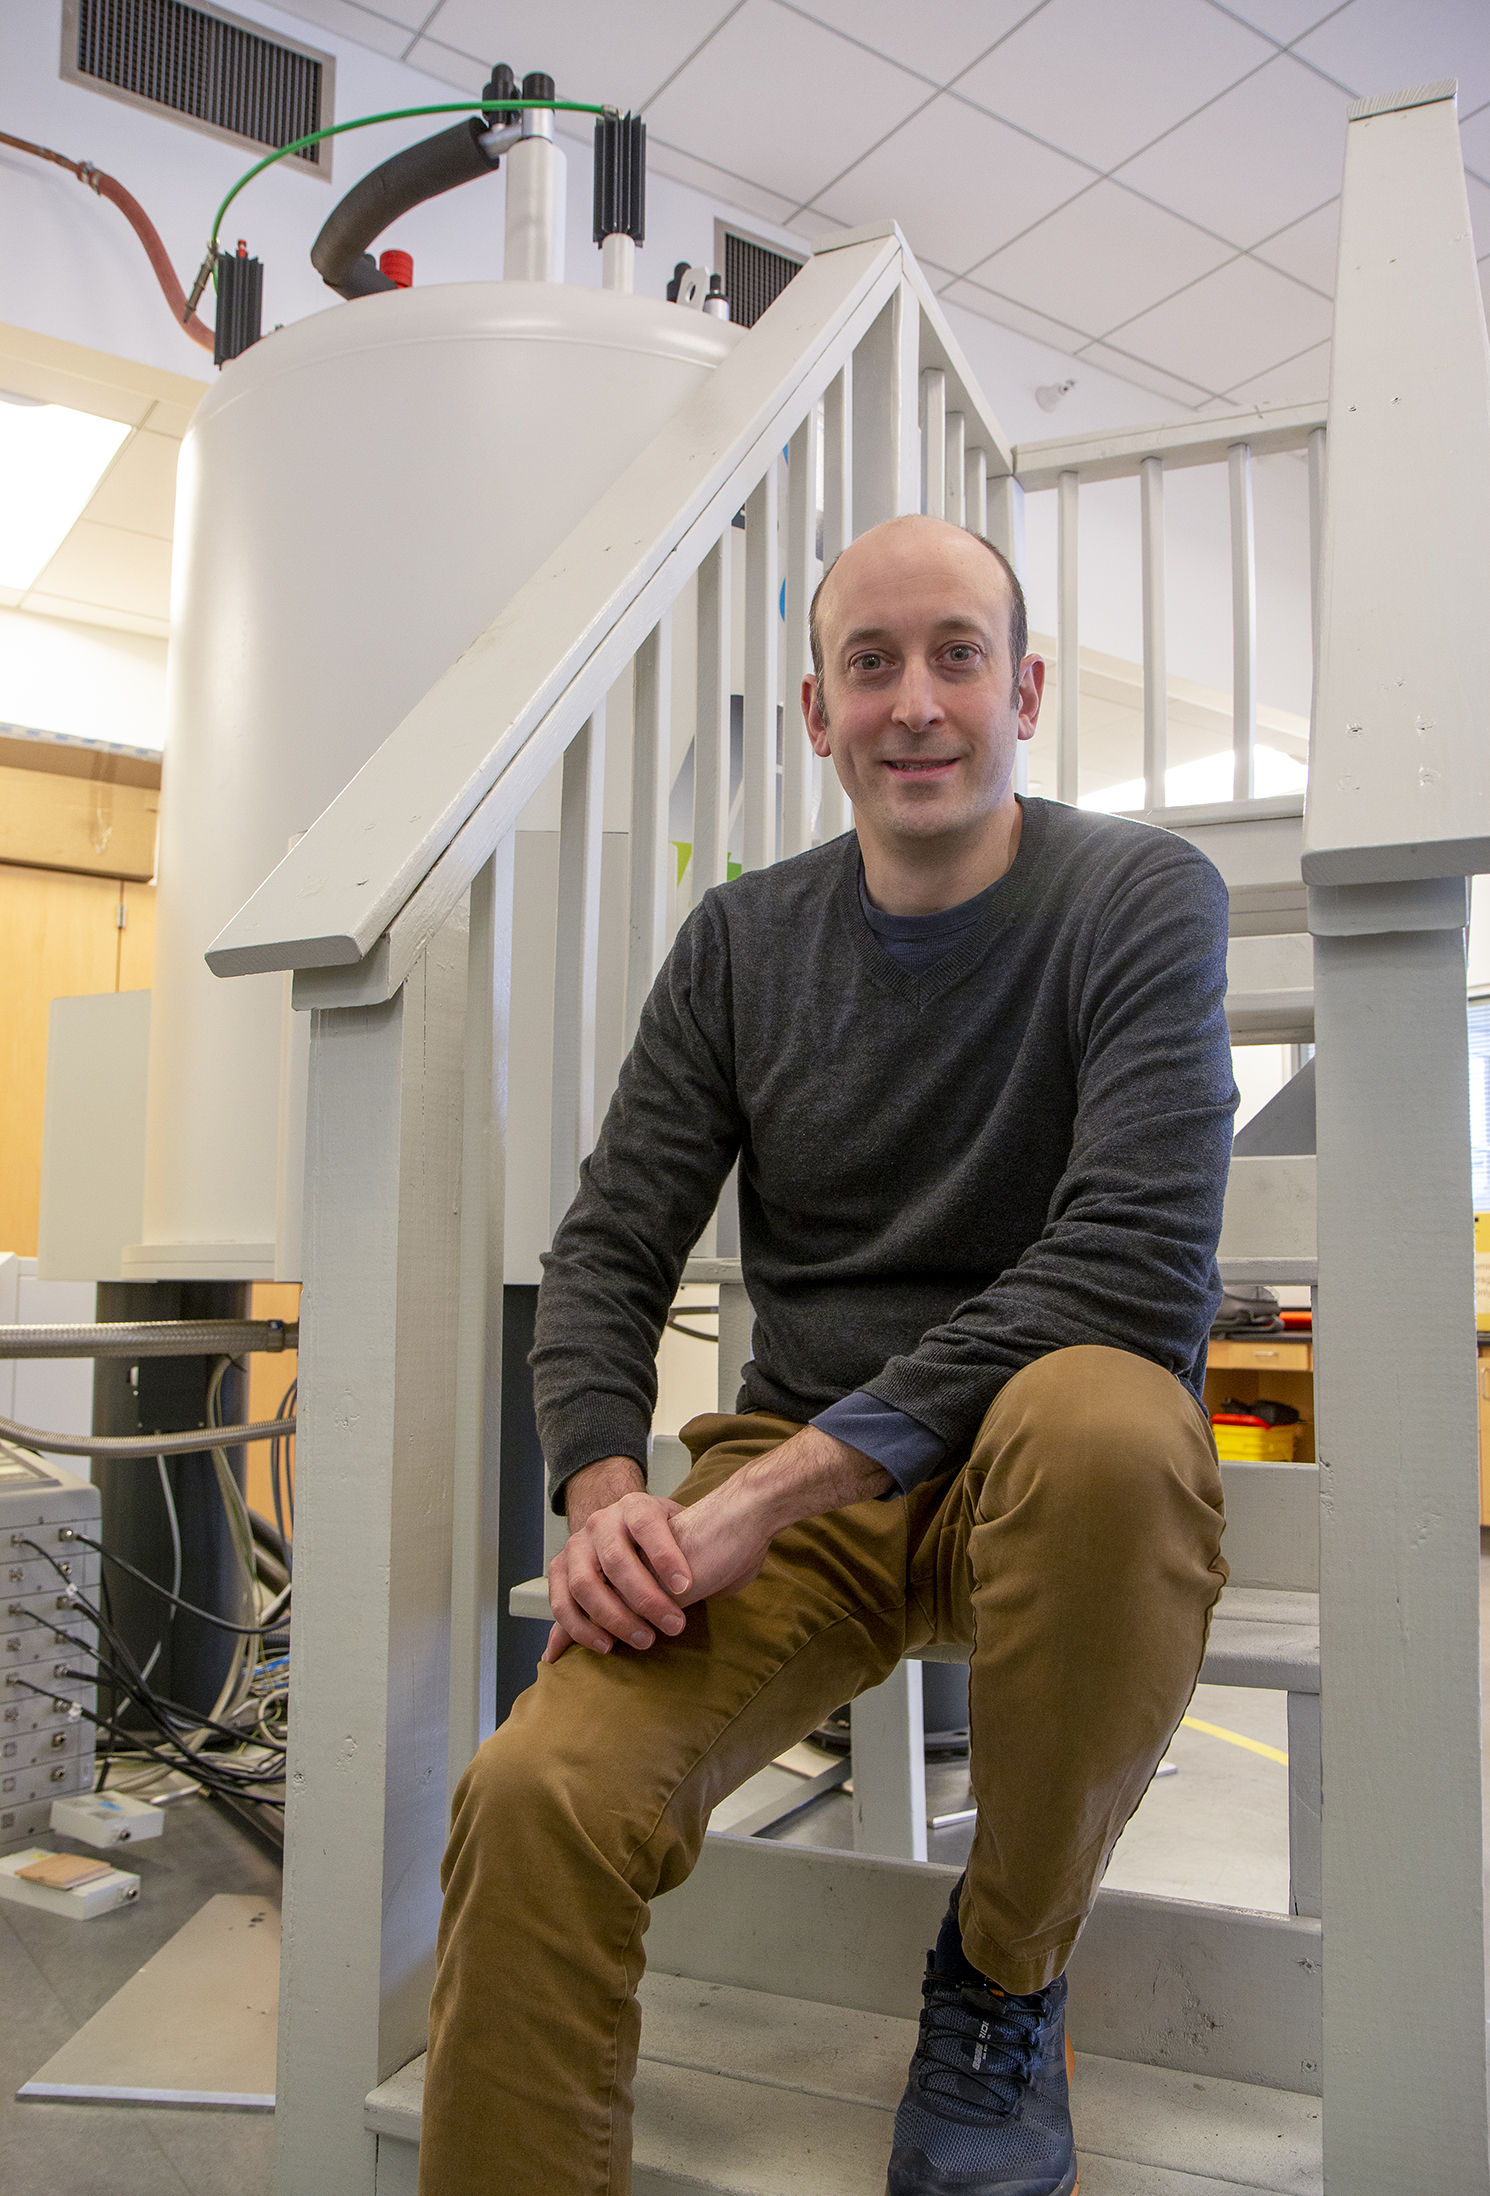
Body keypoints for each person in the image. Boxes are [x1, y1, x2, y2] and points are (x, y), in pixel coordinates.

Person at [419, 513, 1233, 2196]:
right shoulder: (738, 943)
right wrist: (606, 1489)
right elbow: (610, 1245)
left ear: (1021, 690)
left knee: (1104, 1419)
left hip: (1033, 1482)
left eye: (954, 657)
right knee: (534, 1794)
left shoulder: (1138, 898)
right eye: (870, 663)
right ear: (817, 713)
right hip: (802, 1499)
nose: (914, 702)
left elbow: (1137, 1264)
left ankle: (1002, 1978)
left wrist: (768, 1489)